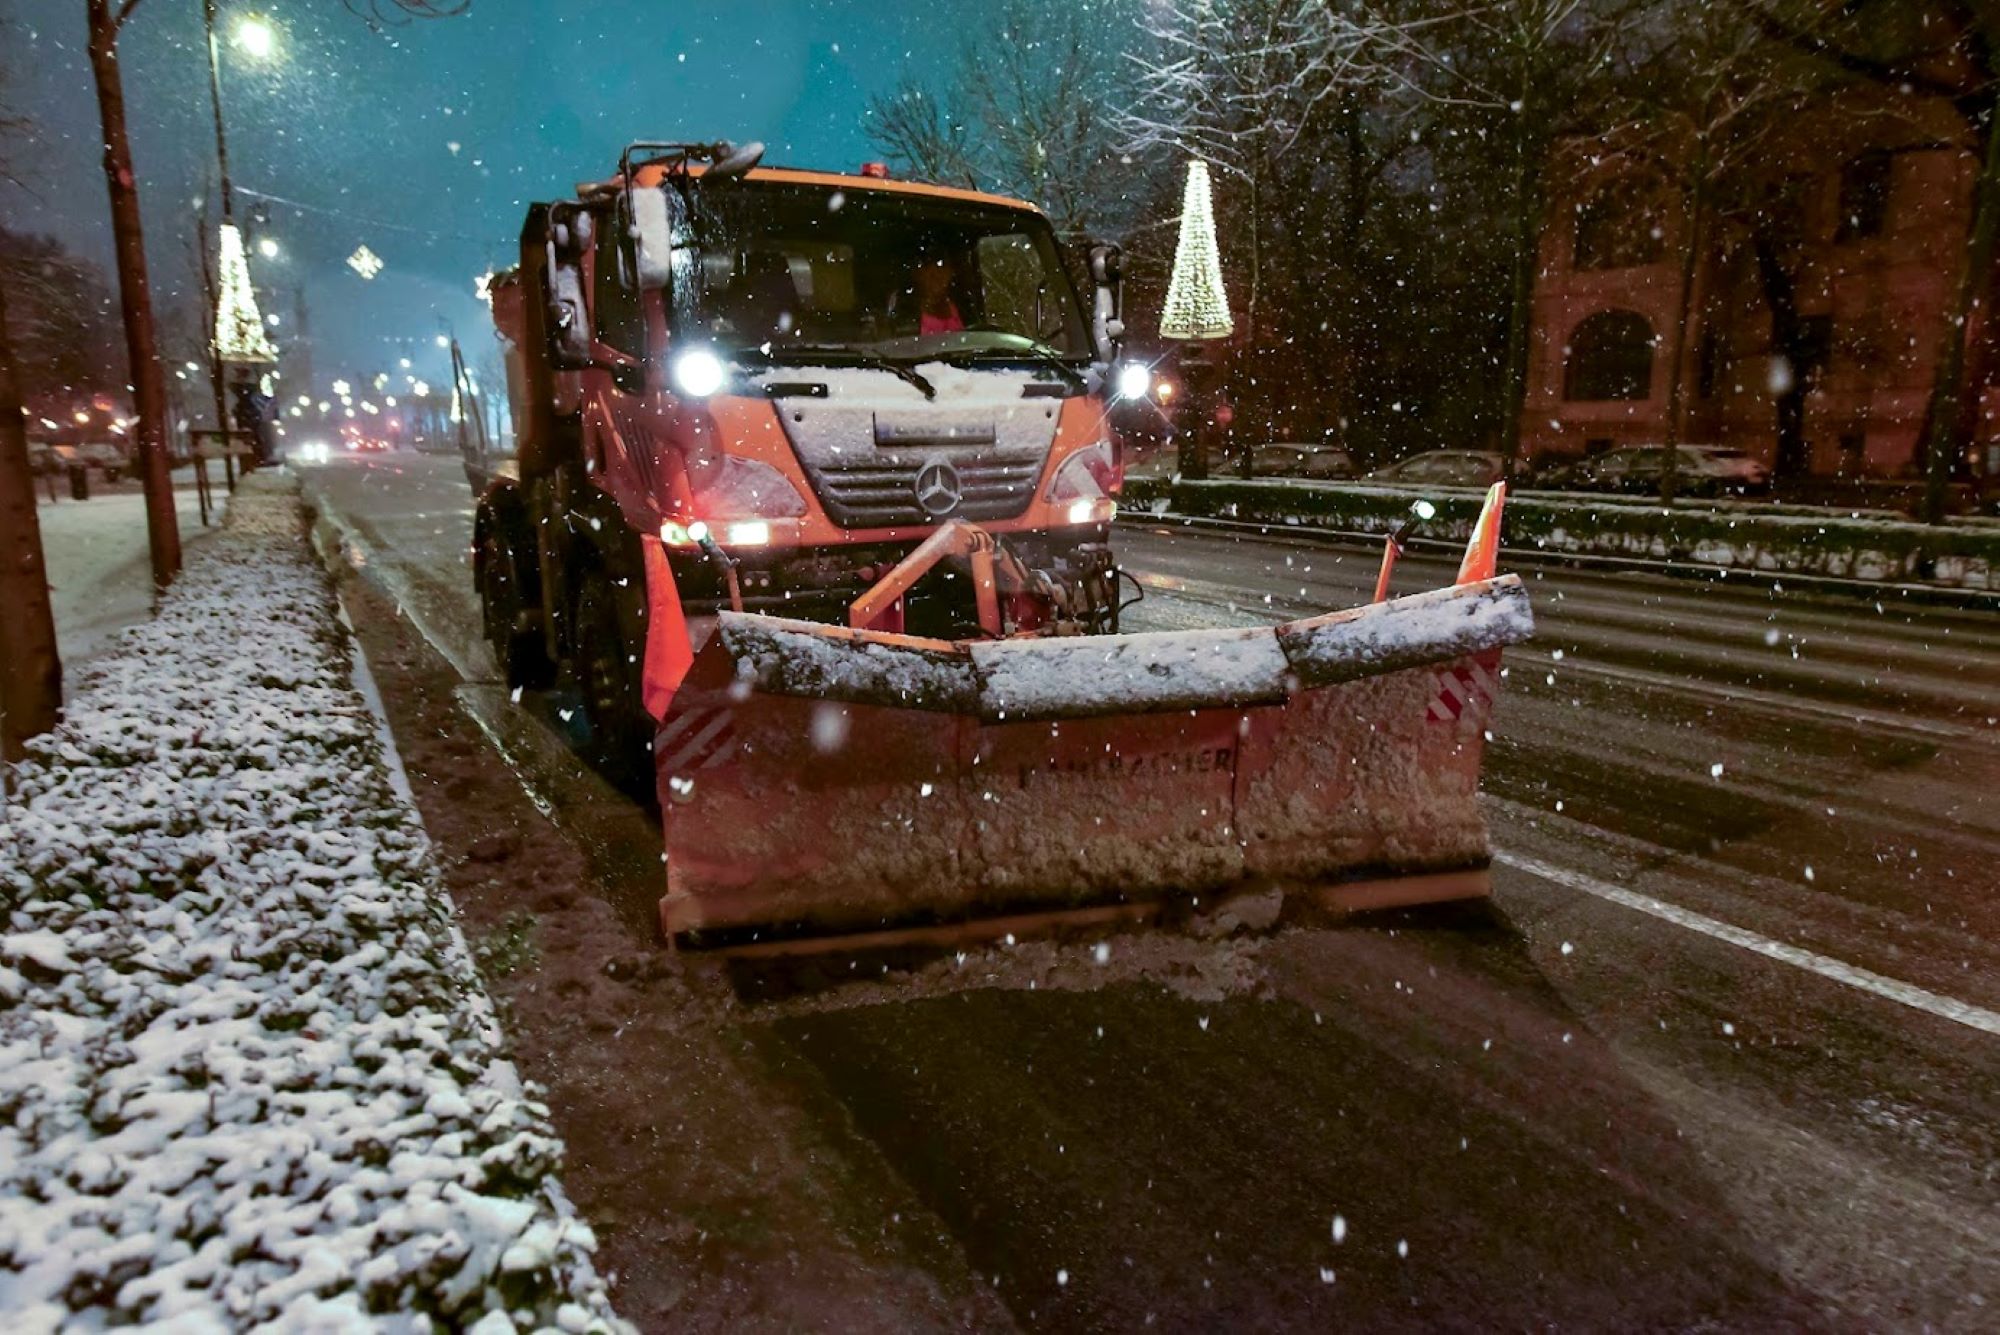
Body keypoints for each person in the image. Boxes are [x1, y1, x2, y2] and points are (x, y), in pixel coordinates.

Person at [913, 255, 965, 335]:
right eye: (932, 276)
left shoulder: (956, 306)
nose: (939, 281)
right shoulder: (910, 310)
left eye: (941, 273)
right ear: (921, 276)